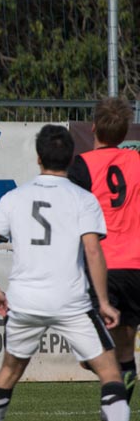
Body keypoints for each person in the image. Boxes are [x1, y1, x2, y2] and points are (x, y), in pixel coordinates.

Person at [0, 124, 138, 421]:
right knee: (110, 370)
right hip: (70, 301)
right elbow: (93, 251)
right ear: (71, 158)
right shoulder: (83, 199)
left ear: (38, 158)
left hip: (25, 301)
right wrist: (104, 302)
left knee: (9, 371)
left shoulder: (15, 198)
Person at [68, 98, 140, 402]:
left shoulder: (82, 165)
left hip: (102, 266)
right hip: (135, 266)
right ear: (124, 133)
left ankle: (113, 405)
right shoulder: (137, 161)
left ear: (93, 127)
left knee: (95, 352)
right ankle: (117, 409)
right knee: (125, 349)